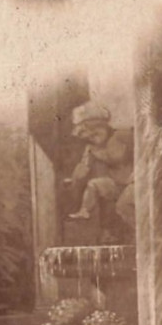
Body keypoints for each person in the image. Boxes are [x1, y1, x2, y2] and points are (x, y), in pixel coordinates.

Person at [65, 101, 135, 242]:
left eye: (95, 133)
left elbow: (117, 156)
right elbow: (83, 172)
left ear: (101, 127)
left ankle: (141, 236)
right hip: (118, 183)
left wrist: (95, 152)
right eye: (88, 136)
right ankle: (85, 210)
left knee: (123, 207)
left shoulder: (122, 135)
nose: (92, 138)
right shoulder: (93, 147)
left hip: (135, 182)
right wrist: (77, 176)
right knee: (94, 185)